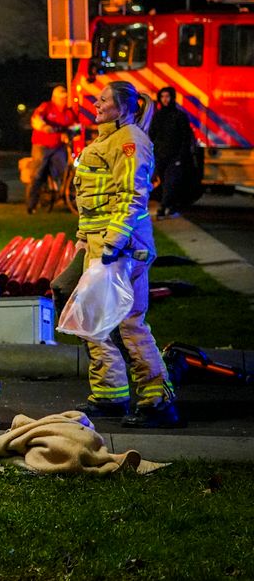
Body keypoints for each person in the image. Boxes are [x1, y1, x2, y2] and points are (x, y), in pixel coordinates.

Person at [73, 80, 181, 428]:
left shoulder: (130, 141)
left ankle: (157, 402)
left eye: (103, 100)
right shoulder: (110, 138)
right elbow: (96, 196)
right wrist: (83, 238)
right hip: (103, 245)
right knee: (97, 323)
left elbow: (132, 196)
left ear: (123, 107)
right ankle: (110, 397)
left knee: (130, 324)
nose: (97, 104)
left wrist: (112, 244)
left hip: (121, 249)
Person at [26, 85, 77, 214]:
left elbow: (76, 126)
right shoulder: (46, 107)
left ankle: (68, 200)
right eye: (61, 98)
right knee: (37, 174)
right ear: (54, 98)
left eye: (65, 98)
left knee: (64, 172)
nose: (64, 101)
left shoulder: (69, 112)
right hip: (42, 145)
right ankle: (31, 205)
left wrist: (70, 133)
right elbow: (36, 119)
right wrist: (44, 127)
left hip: (58, 147)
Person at [148, 87, 195, 218]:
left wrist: (181, 156)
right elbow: (152, 135)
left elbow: (186, 138)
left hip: (175, 156)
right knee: (163, 183)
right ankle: (170, 206)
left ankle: (163, 208)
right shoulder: (157, 116)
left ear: (172, 97)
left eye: (167, 96)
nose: (165, 99)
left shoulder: (180, 116)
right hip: (160, 155)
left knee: (170, 182)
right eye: (162, 97)